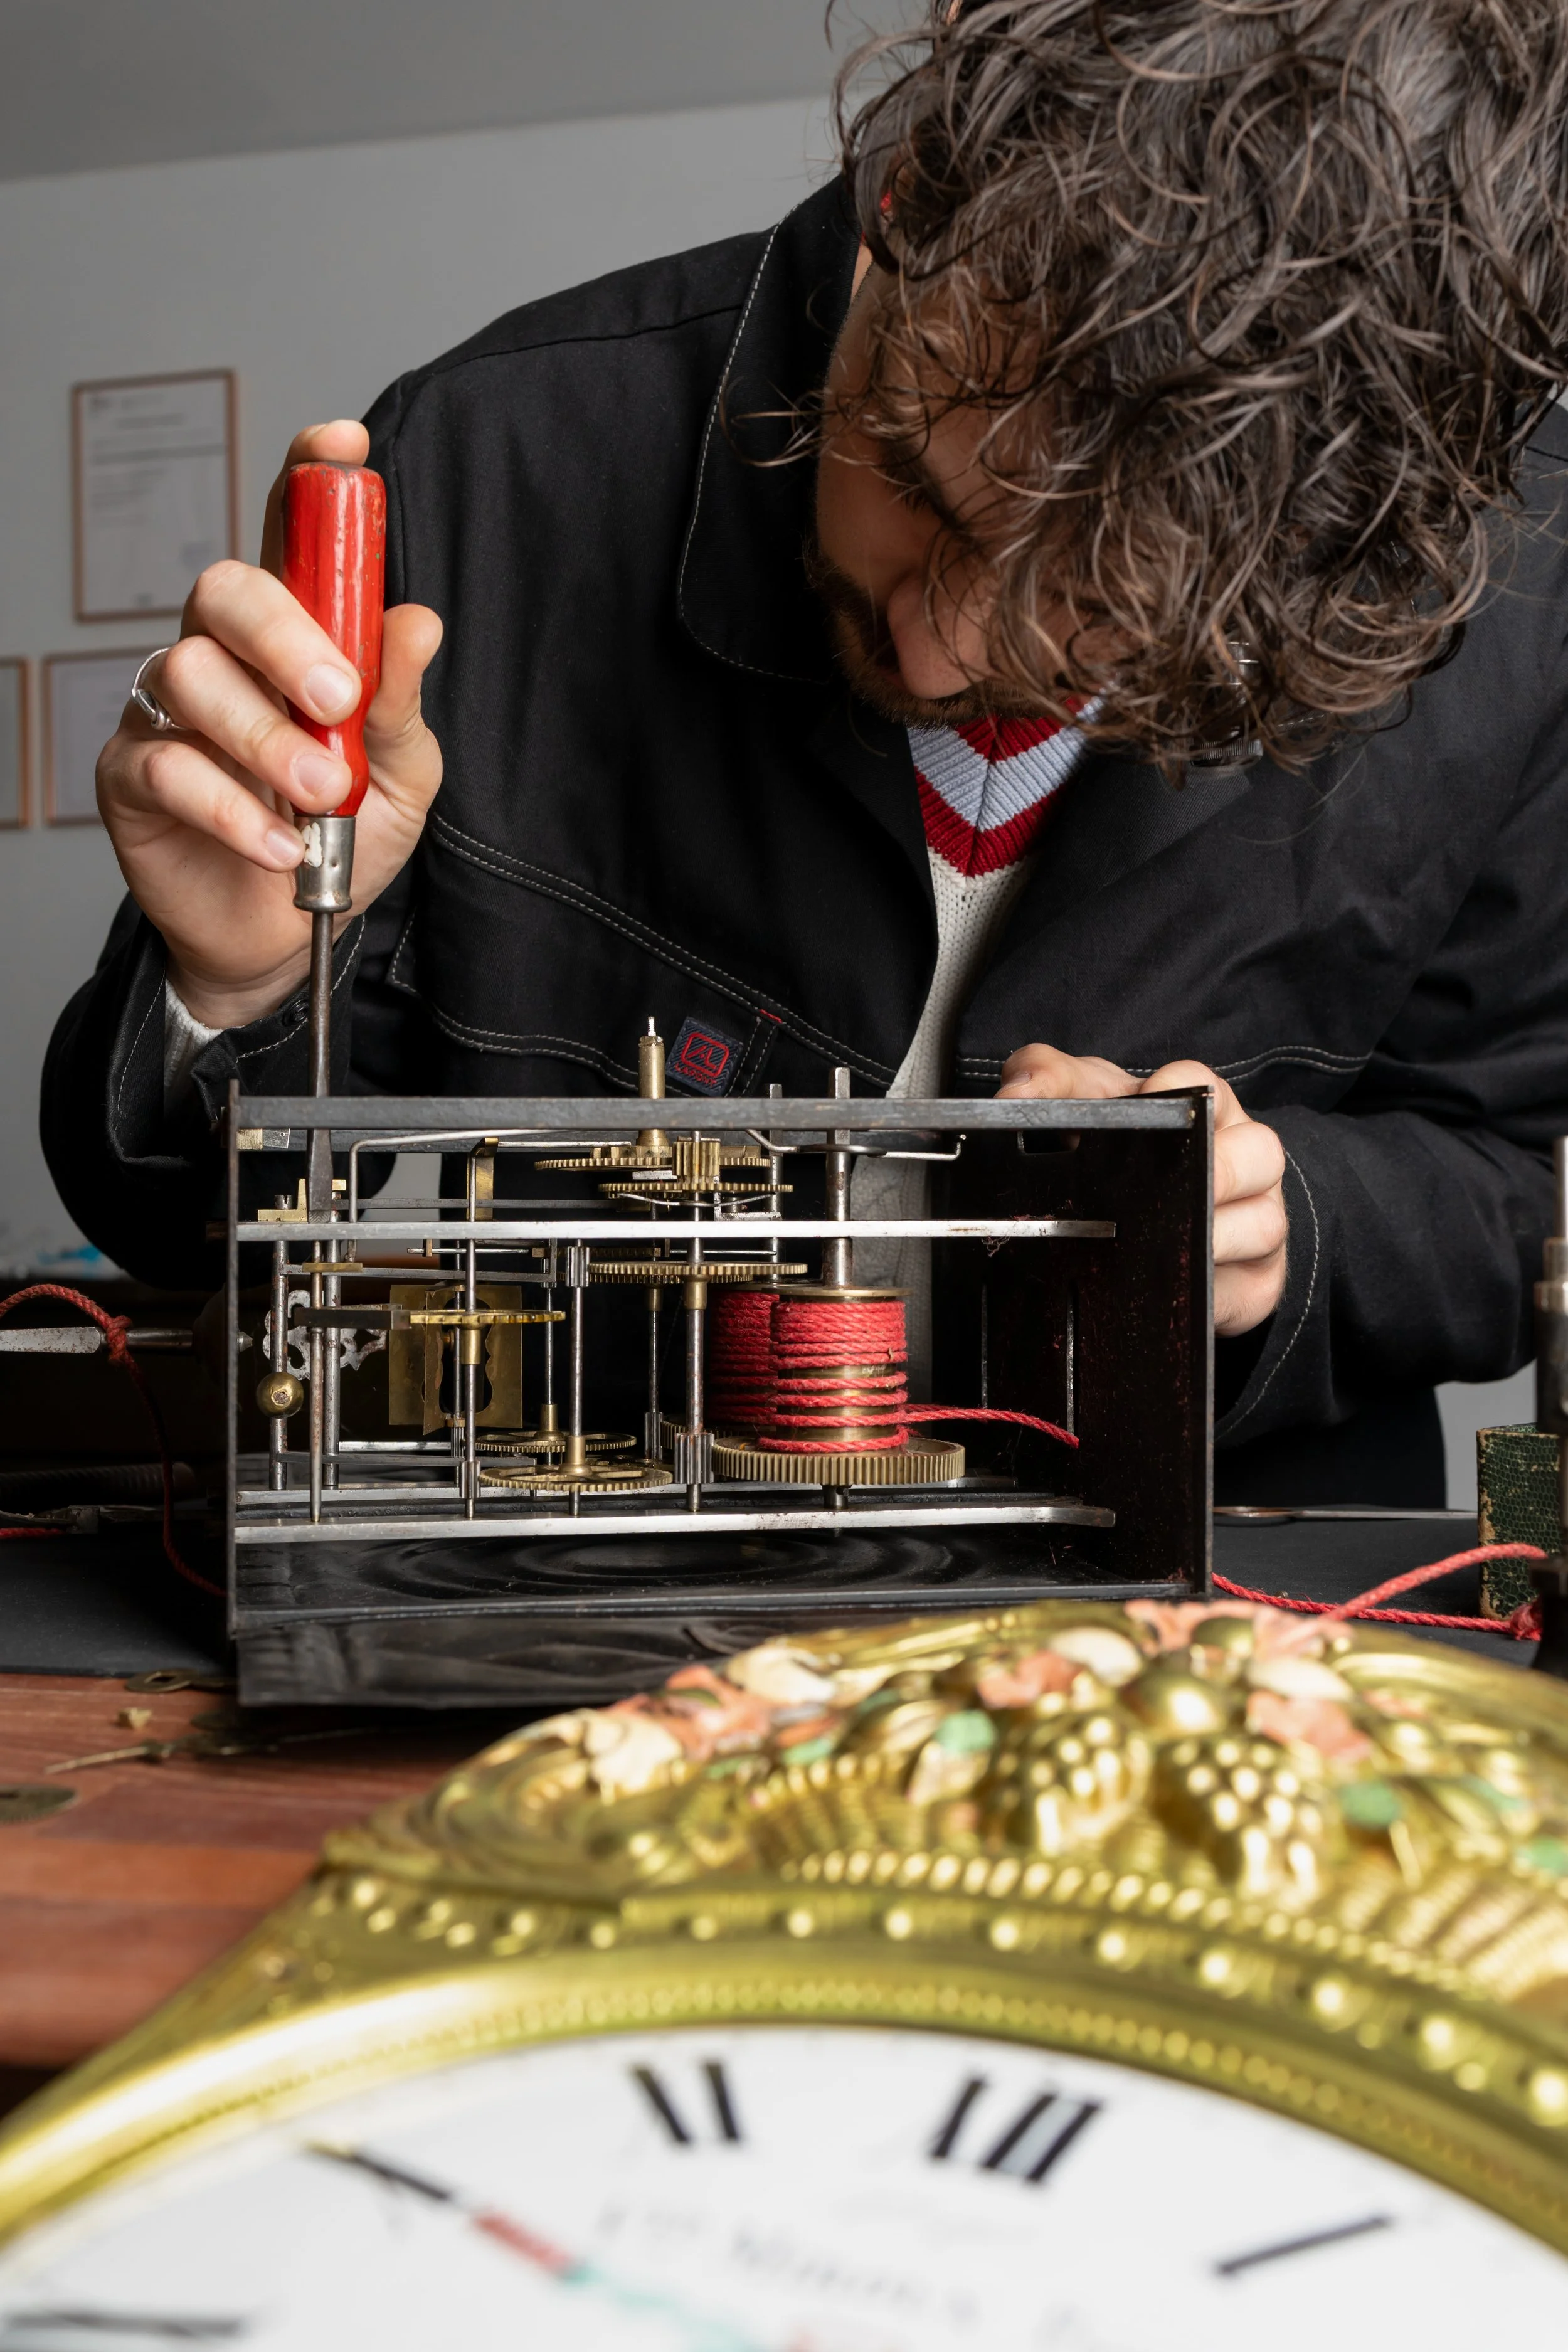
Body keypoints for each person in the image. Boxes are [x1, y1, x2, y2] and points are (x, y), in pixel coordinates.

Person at [42, 0, 1568, 1503]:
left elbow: (1518, 1185)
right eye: (910, 473)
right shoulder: (490, 464)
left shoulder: (1515, 597)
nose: (932, 655)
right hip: (587, 1599)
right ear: (901, 201)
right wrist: (234, 995)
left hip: (1231, 1600)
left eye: (1100, 610)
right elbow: (175, 1229)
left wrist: (1286, 1228)